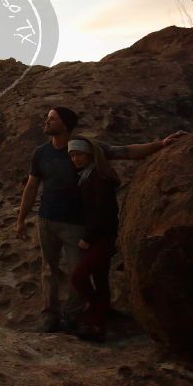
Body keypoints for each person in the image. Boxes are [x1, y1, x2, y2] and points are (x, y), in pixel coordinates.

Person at [15, 107, 187, 333]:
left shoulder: (84, 149)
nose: (46, 122)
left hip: (75, 223)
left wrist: (161, 144)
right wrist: (21, 218)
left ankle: (72, 316)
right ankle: (50, 315)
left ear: (65, 124)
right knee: (49, 269)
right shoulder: (41, 152)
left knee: (77, 271)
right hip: (46, 219)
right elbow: (32, 185)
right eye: (47, 118)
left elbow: (125, 151)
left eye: (51, 119)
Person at [67, 136, 120, 341]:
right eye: (71, 156)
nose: (75, 159)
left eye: (78, 154)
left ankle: (98, 311)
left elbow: (103, 211)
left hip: (102, 237)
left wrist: (88, 237)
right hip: (100, 235)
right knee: (100, 279)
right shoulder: (87, 176)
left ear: (89, 155)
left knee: (78, 276)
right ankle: (98, 324)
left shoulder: (98, 177)